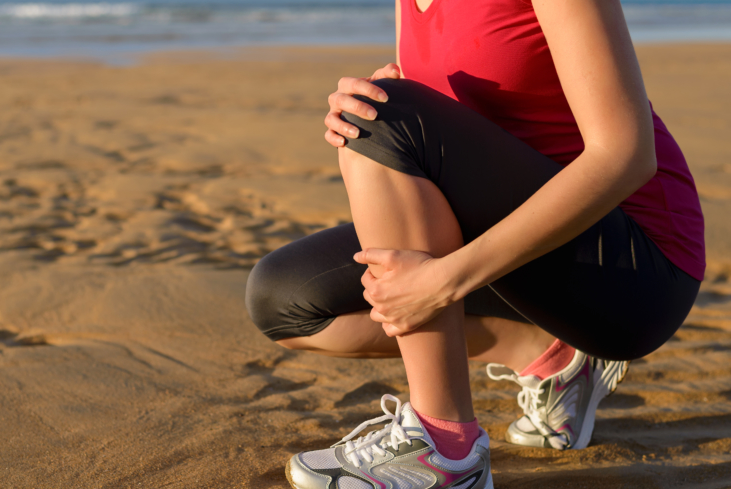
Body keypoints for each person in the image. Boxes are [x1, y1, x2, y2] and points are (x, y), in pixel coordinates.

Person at [245, 0, 704, 487]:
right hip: (523, 247)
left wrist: (447, 278)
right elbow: (441, 139)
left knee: (387, 116)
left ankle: (446, 451)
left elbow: (627, 155)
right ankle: (550, 356)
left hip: (636, 266)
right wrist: (372, 99)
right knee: (284, 299)